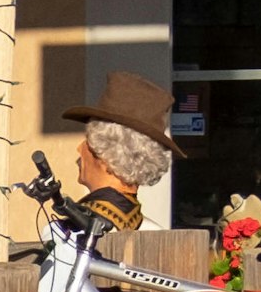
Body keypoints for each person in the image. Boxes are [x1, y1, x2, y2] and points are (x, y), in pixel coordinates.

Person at [60, 69, 183, 237]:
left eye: (88, 141)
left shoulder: (67, 234)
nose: (80, 148)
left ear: (106, 156)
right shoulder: (157, 234)